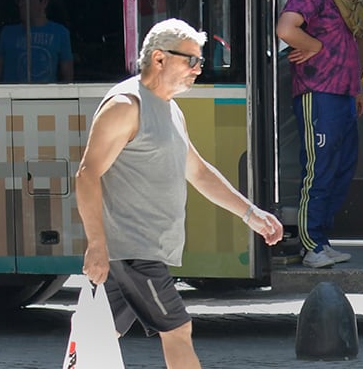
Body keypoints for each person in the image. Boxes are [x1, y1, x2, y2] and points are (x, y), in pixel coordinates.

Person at [75, 19, 282, 369]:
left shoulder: (169, 108)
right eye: (191, 61)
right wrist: (96, 245)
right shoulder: (126, 105)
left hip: (142, 249)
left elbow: (198, 172)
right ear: (159, 59)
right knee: (178, 329)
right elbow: (86, 174)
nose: (198, 69)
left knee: (96, 334)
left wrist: (252, 214)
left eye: (200, 61)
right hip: (132, 250)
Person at [276, 0, 363, 268]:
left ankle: (322, 241)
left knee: (340, 170)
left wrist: (357, 88)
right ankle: (311, 244)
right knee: (318, 171)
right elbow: (286, 29)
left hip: (343, 95)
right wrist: (314, 45)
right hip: (319, 95)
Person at [0, 0, 73, 83]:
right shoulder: (7, 33)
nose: (21, 3)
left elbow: (68, 80)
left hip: (47, 97)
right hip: (11, 96)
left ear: (44, 2)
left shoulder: (61, 33)